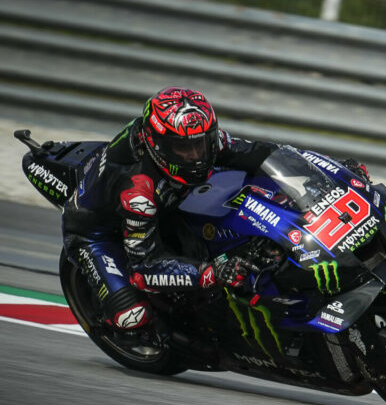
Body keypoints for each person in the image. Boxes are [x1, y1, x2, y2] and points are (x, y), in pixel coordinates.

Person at [61, 86, 369, 339]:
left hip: (165, 204)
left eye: (201, 144)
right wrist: (210, 273)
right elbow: (145, 268)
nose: (196, 156)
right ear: (158, 145)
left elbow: (267, 153)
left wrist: (330, 172)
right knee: (131, 317)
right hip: (98, 233)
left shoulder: (201, 141)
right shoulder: (138, 193)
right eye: (185, 149)